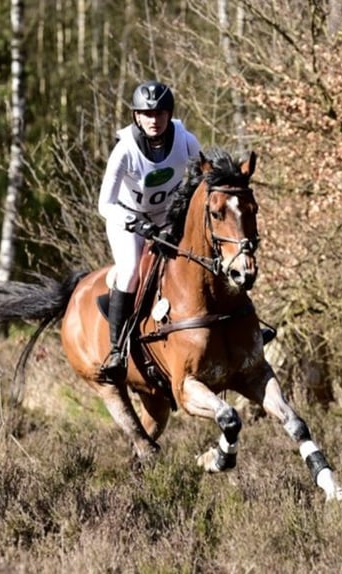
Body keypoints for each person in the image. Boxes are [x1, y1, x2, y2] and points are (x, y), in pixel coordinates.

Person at [97, 80, 201, 381]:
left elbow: (201, 179)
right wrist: (136, 224)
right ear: (136, 117)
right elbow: (105, 203)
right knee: (130, 270)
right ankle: (117, 350)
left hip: (167, 217)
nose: (153, 120)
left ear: (169, 115)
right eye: (146, 114)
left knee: (207, 254)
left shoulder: (186, 141)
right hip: (129, 219)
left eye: (159, 114)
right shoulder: (125, 150)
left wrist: (180, 215)